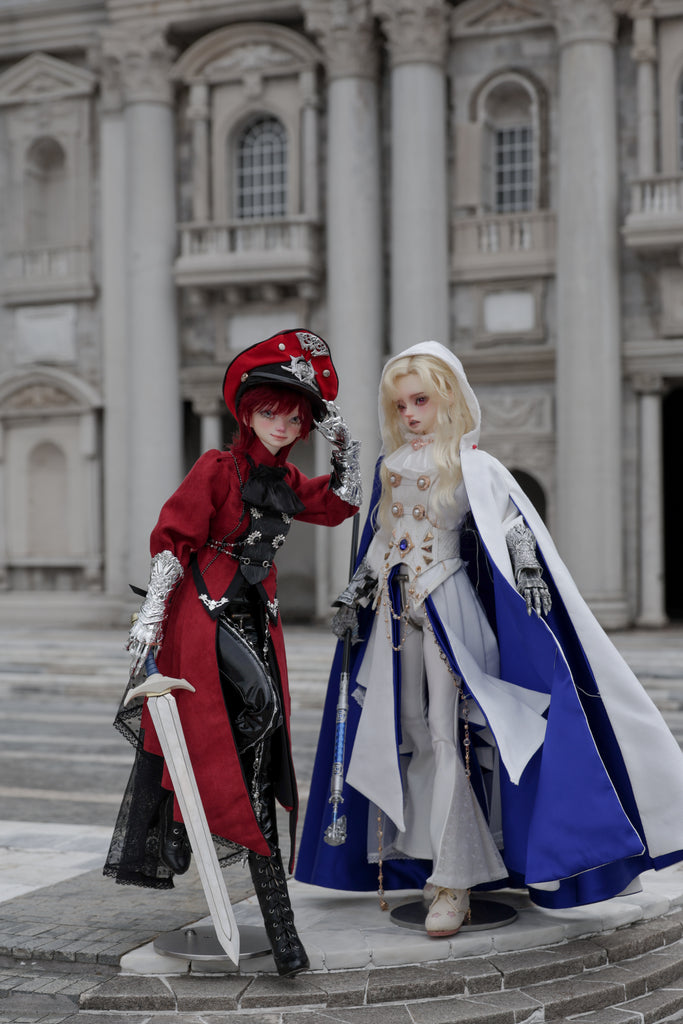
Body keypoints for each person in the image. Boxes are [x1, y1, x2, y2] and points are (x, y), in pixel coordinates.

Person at [296, 340, 683, 938]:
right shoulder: (391, 467)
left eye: (420, 401)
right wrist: (355, 593)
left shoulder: (473, 465)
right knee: (409, 732)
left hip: (448, 605)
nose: (410, 414)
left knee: (447, 734)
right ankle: (427, 855)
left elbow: (510, 523)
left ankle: (455, 878)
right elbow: (382, 540)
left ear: (448, 398)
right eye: (401, 404)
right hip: (397, 611)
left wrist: (526, 565)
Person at [104, 329, 361, 976]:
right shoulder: (217, 468)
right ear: (247, 413)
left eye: (293, 418)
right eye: (270, 413)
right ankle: (201, 792)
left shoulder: (288, 479)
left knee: (263, 761)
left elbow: (341, 504)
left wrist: (343, 443)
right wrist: (150, 620)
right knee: (262, 709)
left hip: (258, 621)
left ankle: (282, 934)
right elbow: (172, 540)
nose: (282, 426)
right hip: (204, 616)